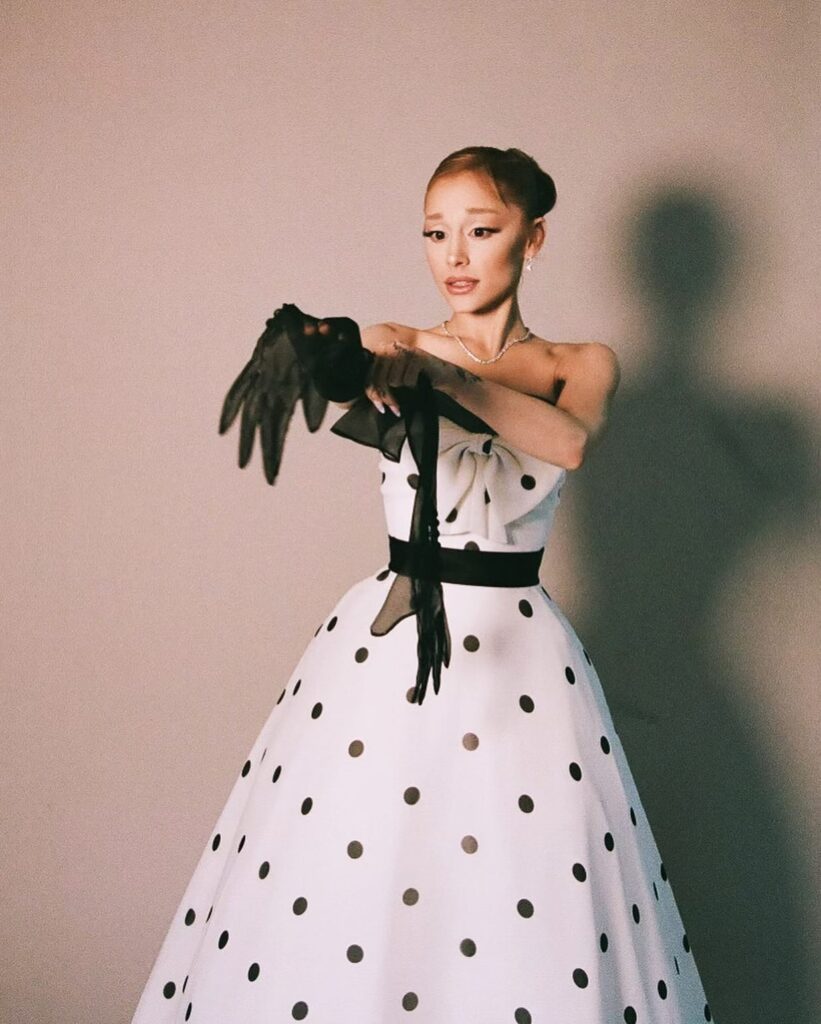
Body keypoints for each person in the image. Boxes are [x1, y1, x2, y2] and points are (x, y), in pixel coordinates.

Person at [131, 146, 716, 1023]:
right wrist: (312, 348)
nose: (454, 255)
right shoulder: (394, 342)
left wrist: (445, 380)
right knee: (358, 888)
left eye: (481, 231)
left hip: (522, 665)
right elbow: (348, 364)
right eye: (435, 233)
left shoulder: (581, 361)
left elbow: (568, 443)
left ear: (534, 238)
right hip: (394, 650)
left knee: (519, 902)